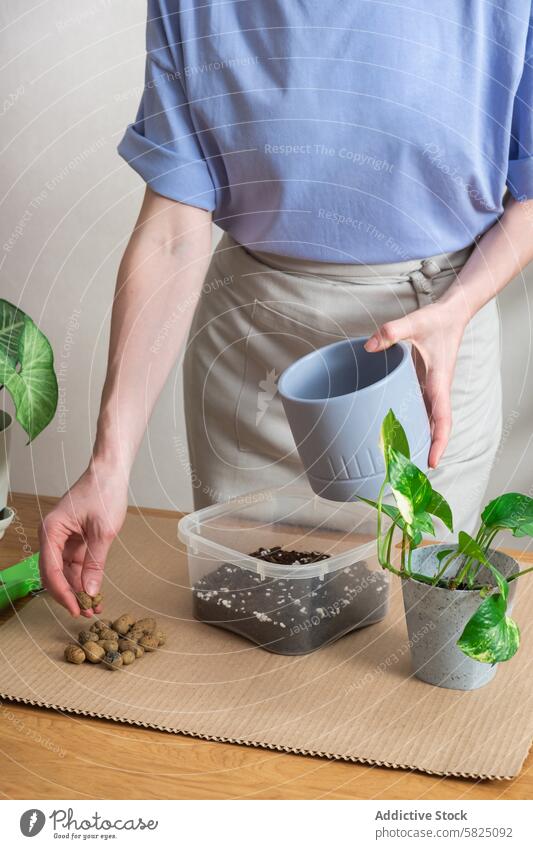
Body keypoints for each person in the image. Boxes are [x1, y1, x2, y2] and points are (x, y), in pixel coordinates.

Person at [39, 1, 533, 616]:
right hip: (255, 348)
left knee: (403, 642)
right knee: (253, 629)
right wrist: (108, 464)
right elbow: (172, 232)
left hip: (430, 348)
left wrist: (457, 308)